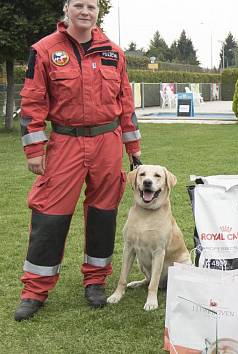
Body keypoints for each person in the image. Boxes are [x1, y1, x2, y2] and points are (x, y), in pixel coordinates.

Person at [15, 0, 141, 321]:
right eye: (79, 5)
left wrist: (133, 149)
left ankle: (96, 281)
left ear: (97, 12)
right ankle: (35, 291)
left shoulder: (114, 52)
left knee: (103, 213)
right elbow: (32, 100)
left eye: (91, 6)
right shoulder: (44, 50)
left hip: (107, 143)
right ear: (67, 8)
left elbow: (126, 104)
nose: (85, 11)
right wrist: (34, 149)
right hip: (65, 143)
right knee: (50, 214)